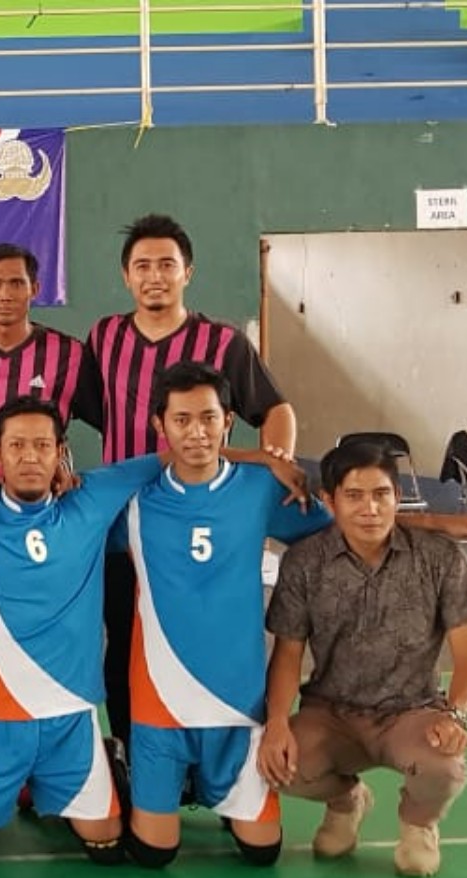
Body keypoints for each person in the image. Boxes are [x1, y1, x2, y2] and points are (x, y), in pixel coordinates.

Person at [0, 396, 305, 867]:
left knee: (112, 849)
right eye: (15, 445)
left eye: (41, 445)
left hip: (70, 720)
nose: (27, 456)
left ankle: (103, 765)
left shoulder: (93, 496)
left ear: (60, 452)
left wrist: (262, 457)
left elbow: (182, 453)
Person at [81, 214, 297, 758]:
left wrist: (273, 465)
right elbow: (77, 409)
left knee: (209, 639)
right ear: (126, 276)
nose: (155, 276)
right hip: (127, 527)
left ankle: (222, 757)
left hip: (201, 523)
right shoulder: (104, 337)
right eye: (143, 266)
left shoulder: (222, 341)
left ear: (187, 272)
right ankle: (134, 750)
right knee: (125, 642)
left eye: (166, 265)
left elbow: (276, 410)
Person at [119, 364, 332, 867]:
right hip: (159, 705)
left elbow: (343, 532)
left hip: (239, 706)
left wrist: (435, 524)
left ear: (228, 421)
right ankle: (122, 764)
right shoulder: (132, 498)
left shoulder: (261, 489)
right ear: (160, 425)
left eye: (209, 419)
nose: (196, 432)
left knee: (262, 854)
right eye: (182, 420)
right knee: (154, 855)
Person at [260, 438, 467, 877]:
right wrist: (276, 724)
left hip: (412, 712)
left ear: (398, 498)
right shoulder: (304, 563)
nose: (370, 508)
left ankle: (419, 826)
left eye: (381, 494)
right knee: (278, 764)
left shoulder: (439, 558)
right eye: (354, 496)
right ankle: (347, 801)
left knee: (443, 767)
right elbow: (287, 655)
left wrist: (457, 716)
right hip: (331, 713)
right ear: (329, 501)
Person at [0, 243, 97, 478]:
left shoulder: (69, 354)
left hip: (42, 503)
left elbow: (111, 418)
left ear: (34, 289)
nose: (5, 295)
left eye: (16, 283)